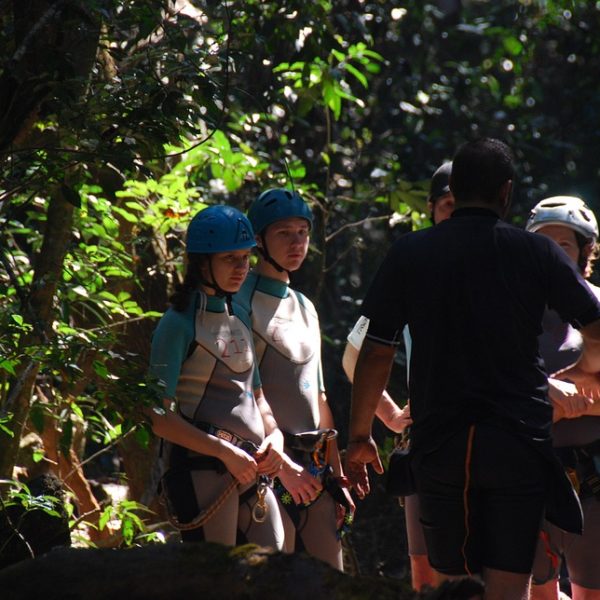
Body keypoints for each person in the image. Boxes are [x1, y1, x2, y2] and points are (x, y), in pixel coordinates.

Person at [346, 138, 600, 600]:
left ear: (455, 190)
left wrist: (360, 436)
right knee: (509, 585)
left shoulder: (411, 253)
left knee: (454, 586)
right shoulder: (536, 254)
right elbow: (598, 328)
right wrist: (583, 371)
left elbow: (377, 350)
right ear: (506, 193)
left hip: (441, 444)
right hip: (517, 446)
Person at [342, 161, 454, 591]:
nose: (454, 214)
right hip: (427, 439)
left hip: (488, 437)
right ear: (430, 207)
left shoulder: (498, 258)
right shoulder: (416, 265)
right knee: (425, 571)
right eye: (447, 205)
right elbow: (358, 352)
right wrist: (389, 417)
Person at [148, 204, 285, 548]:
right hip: (201, 471)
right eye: (230, 259)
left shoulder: (239, 312)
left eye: (245, 257)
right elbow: (158, 417)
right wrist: (225, 452)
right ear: (201, 262)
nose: (241, 268)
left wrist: (276, 437)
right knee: (215, 582)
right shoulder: (177, 323)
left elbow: (257, 397)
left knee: (274, 567)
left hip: (252, 469)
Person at [236, 188, 354, 570]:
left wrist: (336, 476)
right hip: (268, 469)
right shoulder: (240, 302)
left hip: (313, 468)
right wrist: (283, 468)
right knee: (273, 580)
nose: (297, 242)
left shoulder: (305, 306)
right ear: (258, 239)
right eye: (284, 233)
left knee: (332, 581)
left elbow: (318, 397)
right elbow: (242, 396)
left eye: (303, 232)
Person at [525, 197, 600, 600]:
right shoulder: (515, 313)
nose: (553, 253)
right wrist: (552, 393)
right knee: (541, 592)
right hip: (534, 474)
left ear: (585, 250)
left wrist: (577, 401)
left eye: (565, 245)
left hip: (595, 476)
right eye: (544, 243)